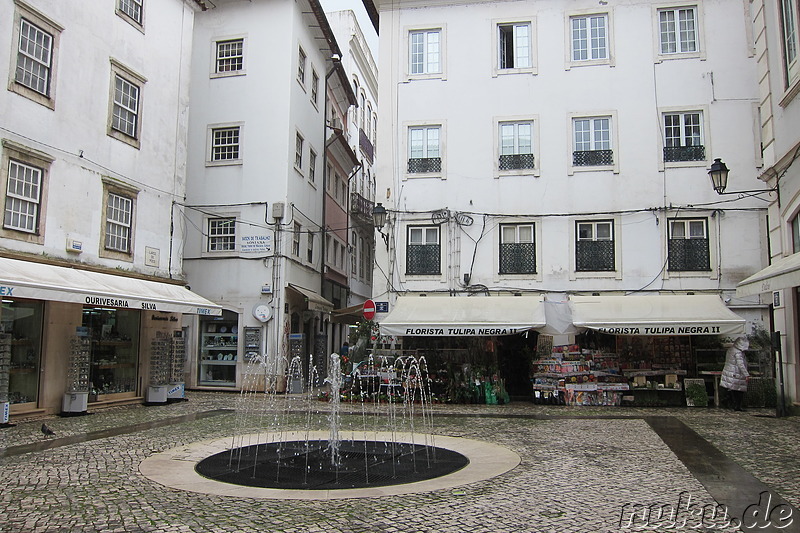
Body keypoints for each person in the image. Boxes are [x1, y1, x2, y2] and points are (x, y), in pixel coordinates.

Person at [720, 336, 750, 411]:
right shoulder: (738, 353)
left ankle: (729, 402)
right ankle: (737, 406)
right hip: (736, 373)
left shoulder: (731, 349)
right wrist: (746, 374)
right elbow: (741, 364)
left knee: (732, 389)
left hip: (729, 372)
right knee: (738, 391)